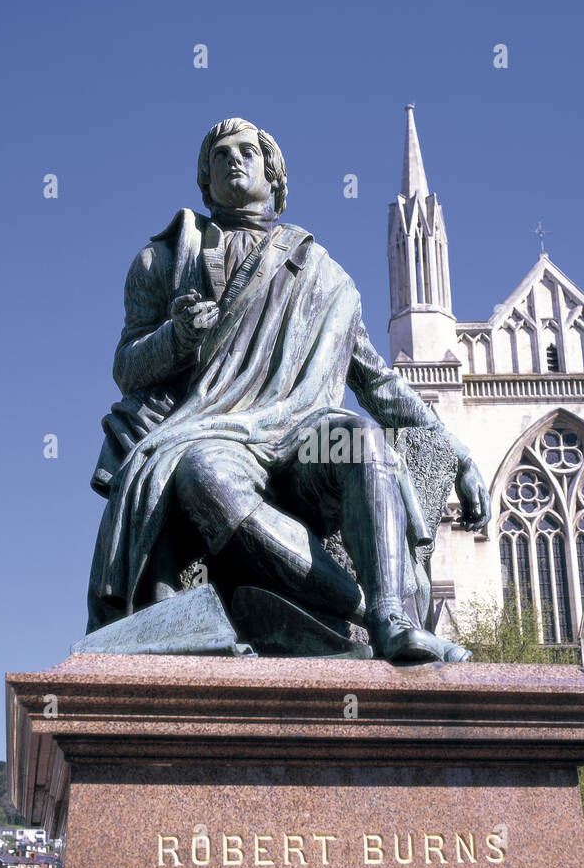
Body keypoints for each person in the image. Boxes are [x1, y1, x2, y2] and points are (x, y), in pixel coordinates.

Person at [86, 117, 490, 662]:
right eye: (220, 154)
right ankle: (356, 605)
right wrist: (177, 338)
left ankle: (391, 617)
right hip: (217, 432)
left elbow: (375, 380)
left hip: (303, 434)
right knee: (203, 473)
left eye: (248, 151)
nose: (234, 159)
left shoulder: (326, 275)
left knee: (361, 440)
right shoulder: (163, 259)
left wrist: (454, 447)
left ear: (274, 176)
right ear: (204, 180)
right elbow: (128, 368)